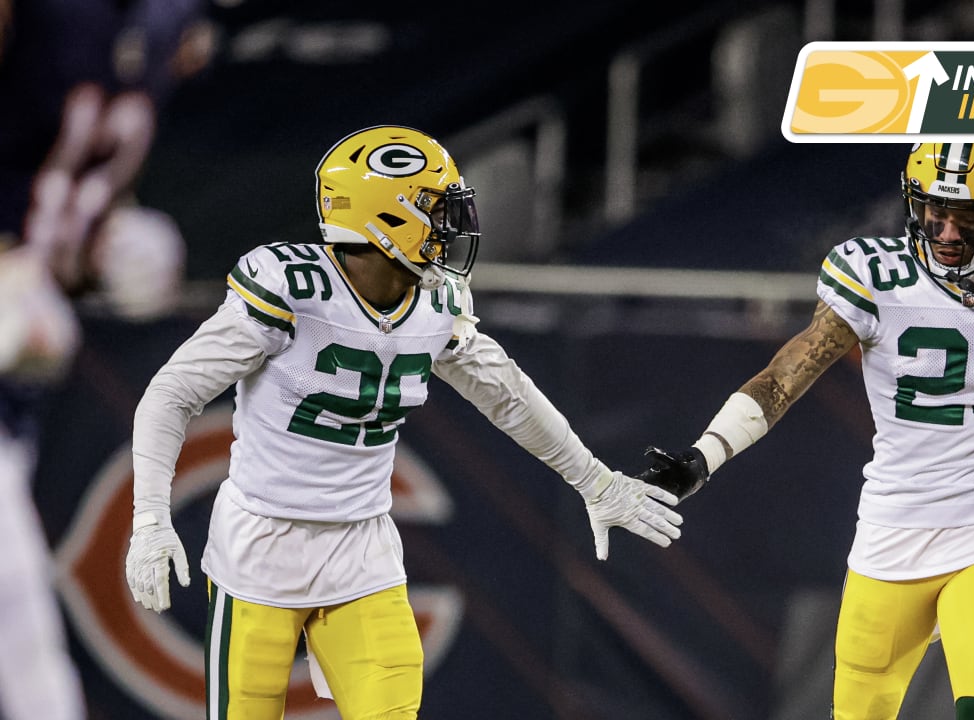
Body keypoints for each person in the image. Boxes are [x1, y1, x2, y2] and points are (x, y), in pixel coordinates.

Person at [124, 125, 684, 718]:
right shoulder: (293, 289)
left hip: (363, 550)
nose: (451, 226)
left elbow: (508, 395)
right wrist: (150, 520)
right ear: (384, 218)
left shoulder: (438, 301)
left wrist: (594, 481)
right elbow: (171, 393)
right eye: (434, 210)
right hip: (262, 546)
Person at [640, 143, 974, 720]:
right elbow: (783, 379)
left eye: (968, 215)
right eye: (932, 211)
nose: (946, 230)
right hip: (891, 536)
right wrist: (704, 456)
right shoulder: (877, 277)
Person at [1, 1, 207, 716]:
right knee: (13, 591)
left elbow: (58, 183)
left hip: (15, 368)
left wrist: (96, 244)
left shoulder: (155, 26)